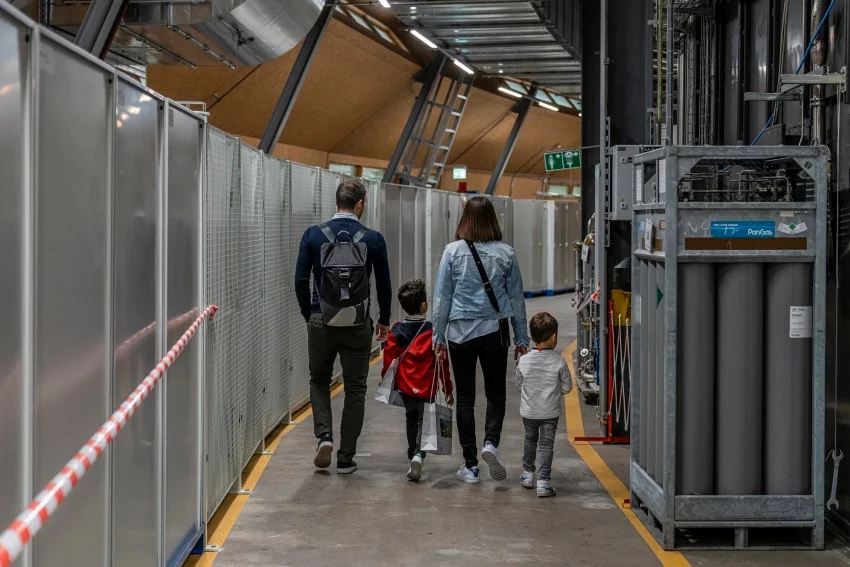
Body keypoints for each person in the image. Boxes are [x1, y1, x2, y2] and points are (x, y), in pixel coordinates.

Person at [295, 179, 392, 475]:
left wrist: (309, 313)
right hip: (357, 323)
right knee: (355, 389)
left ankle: (324, 436)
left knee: (319, 380)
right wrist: (384, 320)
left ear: (338, 202)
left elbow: (300, 280)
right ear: (360, 204)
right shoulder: (372, 239)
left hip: (320, 319)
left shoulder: (313, 235)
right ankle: (346, 457)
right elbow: (385, 284)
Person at [432, 196, 530, 484]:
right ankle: (491, 443)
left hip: (459, 332)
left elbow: (442, 298)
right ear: (492, 219)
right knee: (495, 393)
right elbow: (516, 299)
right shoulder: (506, 253)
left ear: (465, 220)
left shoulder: (452, 252)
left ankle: (471, 465)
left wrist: (438, 336)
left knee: (465, 397)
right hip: (493, 331)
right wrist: (521, 338)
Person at [381, 279, 453, 482]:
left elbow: (388, 360)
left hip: (405, 386)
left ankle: (411, 453)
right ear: (423, 306)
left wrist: (386, 381)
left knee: (411, 418)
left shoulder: (396, 331)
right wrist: (447, 388)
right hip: (427, 387)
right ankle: (419, 455)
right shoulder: (432, 332)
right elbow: (443, 363)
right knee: (424, 421)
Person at [516, 312, 572, 497]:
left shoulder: (523, 361)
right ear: (554, 338)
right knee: (546, 445)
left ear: (532, 337)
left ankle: (527, 475)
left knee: (529, 440)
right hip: (550, 412)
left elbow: (519, 384)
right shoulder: (559, 362)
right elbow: (567, 387)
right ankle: (543, 483)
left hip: (529, 411)